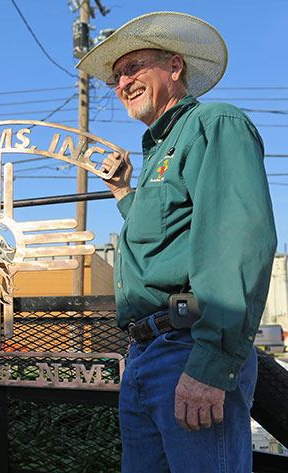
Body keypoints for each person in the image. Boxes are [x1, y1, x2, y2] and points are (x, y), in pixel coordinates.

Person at [77, 12, 276, 473]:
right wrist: (126, 193)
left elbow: (237, 242)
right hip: (145, 354)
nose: (122, 82)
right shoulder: (155, 157)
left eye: (134, 67)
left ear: (174, 67)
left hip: (189, 349)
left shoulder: (215, 122)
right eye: (116, 76)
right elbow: (163, 241)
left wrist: (212, 363)